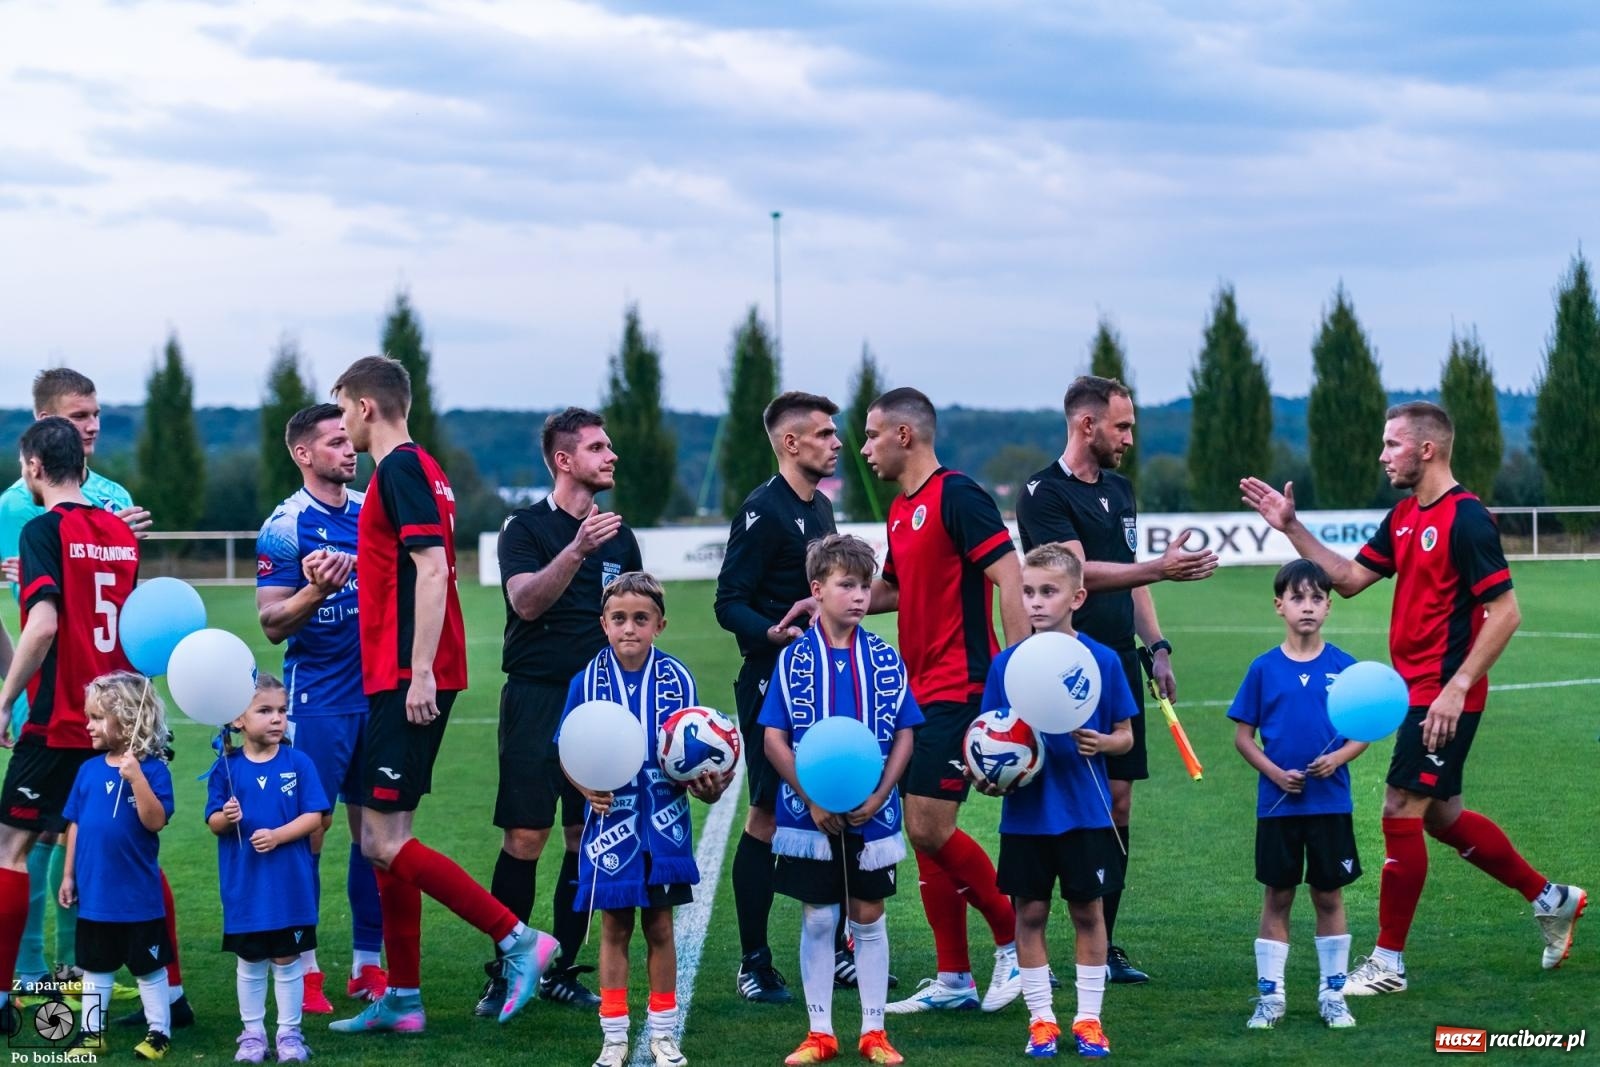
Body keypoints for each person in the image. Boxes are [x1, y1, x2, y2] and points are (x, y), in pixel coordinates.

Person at [1241, 400, 1586, 993]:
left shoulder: (1468, 519)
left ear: (1427, 449)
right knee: (1442, 816)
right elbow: (1347, 582)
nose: (1382, 455)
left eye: (1392, 444)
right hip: (1415, 692)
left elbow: (1505, 613)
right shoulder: (1403, 515)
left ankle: (1388, 964)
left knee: (1399, 808)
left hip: (1444, 695)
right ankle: (1551, 897)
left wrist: (1456, 688)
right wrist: (1291, 527)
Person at [326, 356, 558, 1036]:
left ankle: (518, 939)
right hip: (395, 671)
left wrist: (418, 669)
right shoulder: (420, 468)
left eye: (342, 408)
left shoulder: (399, 469)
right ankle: (402, 997)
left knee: (384, 838)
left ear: (367, 407)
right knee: (381, 837)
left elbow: (431, 570)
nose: (340, 423)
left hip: (407, 674)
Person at [1015, 374, 1217, 984]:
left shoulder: (1122, 489)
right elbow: (1077, 571)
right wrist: (1157, 566)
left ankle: (1103, 946)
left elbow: (1132, 577)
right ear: (1087, 425)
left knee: (1119, 801)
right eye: (1122, 426)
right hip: (1062, 668)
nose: (1129, 437)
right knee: (1058, 802)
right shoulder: (1041, 493)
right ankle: (1039, 949)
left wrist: (1155, 646)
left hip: (1119, 666)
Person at [857, 387, 1027, 1015]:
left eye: (873, 435)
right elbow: (894, 590)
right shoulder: (901, 510)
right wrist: (824, 599)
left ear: (905, 435)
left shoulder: (958, 495)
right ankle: (954, 976)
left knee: (930, 826)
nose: (866, 448)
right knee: (925, 835)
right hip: (915, 690)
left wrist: (1014, 684)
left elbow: (1008, 576)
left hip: (962, 686)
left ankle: (1014, 943)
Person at [0, 417, 159, 1034]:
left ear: (34, 467)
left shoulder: (42, 530)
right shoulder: (121, 534)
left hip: (61, 718)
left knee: (10, 852)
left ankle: (4, 999)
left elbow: (43, 625)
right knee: (136, 855)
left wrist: (6, 696)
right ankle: (167, 997)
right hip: (121, 717)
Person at [480, 407, 641, 1016]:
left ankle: (560, 969)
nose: (611, 455)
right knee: (525, 835)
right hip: (536, 696)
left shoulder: (621, 536)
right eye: (599, 447)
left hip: (600, 703)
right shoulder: (524, 528)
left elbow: (630, 619)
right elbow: (524, 604)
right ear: (564, 461)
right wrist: (576, 549)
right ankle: (507, 965)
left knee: (584, 836)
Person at [760, 534, 921, 1066]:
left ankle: (874, 1031)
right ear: (817, 589)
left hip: (873, 813)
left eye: (864, 585)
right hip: (810, 815)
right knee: (819, 918)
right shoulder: (793, 660)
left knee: (868, 916)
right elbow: (774, 738)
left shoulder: (883, 656)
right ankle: (819, 1031)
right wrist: (812, 799)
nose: (858, 596)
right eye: (846, 585)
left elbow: (903, 732)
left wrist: (880, 793)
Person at [562, 572, 732, 1067]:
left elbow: (694, 752)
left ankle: (663, 1034)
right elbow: (567, 751)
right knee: (614, 928)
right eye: (619, 619)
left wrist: (709, 783)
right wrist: (584, 788)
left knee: (660, 927)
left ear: (660, 624)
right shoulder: (586, 681)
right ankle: (614, 1037)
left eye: (641, 619)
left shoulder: (678, 679)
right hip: (611, 829)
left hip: (664, 826)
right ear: (604, 624)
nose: (629, 628)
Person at [974, 545, 1136, 1059]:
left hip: (1085, 812)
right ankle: (1041, 1020)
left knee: (1089, 913)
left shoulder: (1101, 660)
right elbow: (990, 737)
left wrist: (1104, 743)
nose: (1037, 603)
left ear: (1077, 596)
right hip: (1026, 815)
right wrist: (987, 774)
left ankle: (1089, 1020)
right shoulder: (1008, 665)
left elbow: (1126, 735)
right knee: (1031, 914)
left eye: (1049, 591)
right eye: (1028, 592)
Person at [713, 391, 843, 1004]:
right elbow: (727, 600)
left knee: (840, 795)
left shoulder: (819, 511)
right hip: (772, 680)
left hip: (824, 677)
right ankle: (754, 962)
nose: (836, 442)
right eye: (823, 433)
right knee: (766, 813)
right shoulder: (764, 511)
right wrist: (770, 631)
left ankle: (842, 947)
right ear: (790, 443)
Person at [256, 403, 385, 1012]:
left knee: (377, 835)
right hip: (318, 700)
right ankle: (306, 968)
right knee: (312, 832)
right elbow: (272, 623)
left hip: (378, 694)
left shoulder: (371, 512)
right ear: (304, 454)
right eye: (335, 443)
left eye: (348, 440)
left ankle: (368, 964)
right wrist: (317, 589)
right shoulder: (284, 526)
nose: (348, 450)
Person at [1227, 560, 1365, 1031]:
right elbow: (1243, 737)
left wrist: (1338, 759)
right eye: (1297, 598)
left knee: (1329, 896)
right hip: (1278, 805)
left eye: (1316, 598)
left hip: (1330, 804)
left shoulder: (1343, 667)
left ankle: (1333, 994)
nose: (1307, 607)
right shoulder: (1263, 669)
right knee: (1278, 896)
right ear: (1279, 605)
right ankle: (1271, 997)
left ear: (1328, 606)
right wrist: (1275, 773)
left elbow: (1362, 731)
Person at [206, 675, 330, 1064]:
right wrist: (226, 818)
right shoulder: (225, 769)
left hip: (290, 889)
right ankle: (253, 1034)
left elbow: (316, 816)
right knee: (251, 962)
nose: (277, 719)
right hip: (245, 889)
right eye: (265, 711)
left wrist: (277, 836)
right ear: (238, 720)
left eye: (281, 710)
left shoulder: (299, 762)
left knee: (287, 960)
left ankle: (290, 1035)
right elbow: (212, 823)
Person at [57, 672, 176, 1062]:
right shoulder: (88, 771)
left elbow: (154, 820)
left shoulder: (153, 769)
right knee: (95, 967)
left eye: (95, 717)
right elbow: (75, 825)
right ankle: (92, 1035)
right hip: (95, 897)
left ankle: (159, 1031)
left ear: (125, 720)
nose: (87, 724)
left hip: (138, 898)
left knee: (148, 968)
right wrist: (69, 875)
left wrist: (137, 778)